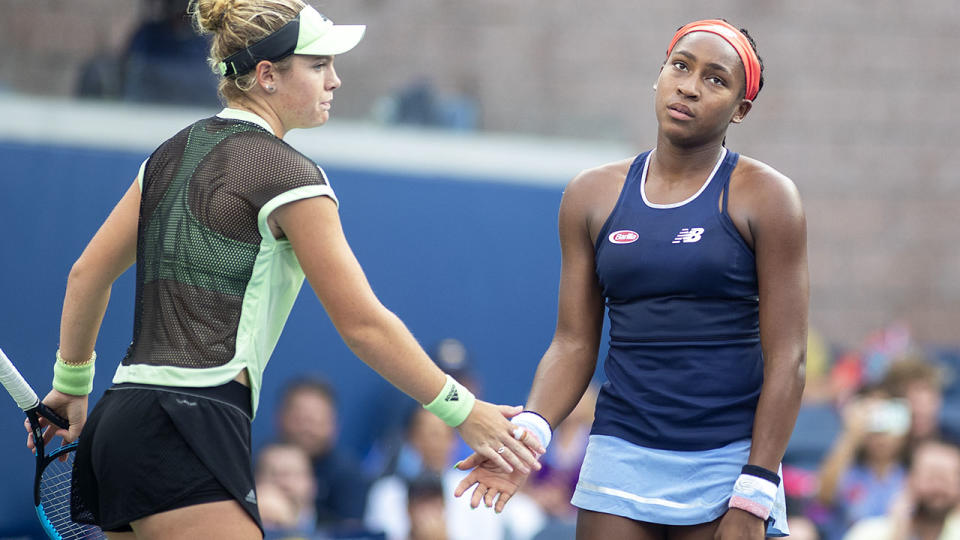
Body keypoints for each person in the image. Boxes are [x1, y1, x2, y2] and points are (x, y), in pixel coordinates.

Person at [24, 1, 541, 538]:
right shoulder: (288, 173)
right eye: (318, 66)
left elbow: (86, 274)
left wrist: (71, 385)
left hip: (120, 421)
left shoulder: (166, 156)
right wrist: (464, 410)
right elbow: (362, 325)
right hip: (189, 422)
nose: (335, 80)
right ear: (267, 76)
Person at [454, 19, 807, 540]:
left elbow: (789, 359)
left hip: (729, 461)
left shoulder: (769, 197)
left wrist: (755, 491)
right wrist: (526, 436)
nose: (689, 85)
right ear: (659, 75)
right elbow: (573, 342)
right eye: (681, 66)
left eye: (715, 79)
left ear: (740, 109)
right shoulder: (591, 194)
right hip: (620, 453)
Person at [274, 378, 369, 529]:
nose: (306, 428)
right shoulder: (257, 462)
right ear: (280, 418)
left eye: (315, 420)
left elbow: (350, 533)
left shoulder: (347, 474)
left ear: (334, 424)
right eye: (300, 418)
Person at [843, 440, 960, 540]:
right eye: (931, 477)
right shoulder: (868, 533)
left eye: (946, 479)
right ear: (908, 480)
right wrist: (898, 535)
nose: (938, 488)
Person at [255, 442, 318, 536]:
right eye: (274, 475)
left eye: (296, 475)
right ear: (256, 482)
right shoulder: (244, 526)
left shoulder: (332, 528)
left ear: (313, 485)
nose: (285, 483)